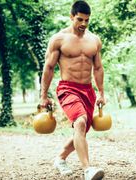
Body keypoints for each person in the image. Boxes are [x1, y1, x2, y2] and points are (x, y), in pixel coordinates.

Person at [40, 1, 105, 180]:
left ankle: (60, 158)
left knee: (81, 130)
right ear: (71, 17)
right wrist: (43, 96)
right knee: (81, 122)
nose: (83, 24)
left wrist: (101, 93)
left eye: (87, 20)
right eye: (79, 19)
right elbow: (49, 67)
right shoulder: (59, 39)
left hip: (88, 90)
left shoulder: (94, 40)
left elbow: (98, 68)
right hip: (68, 89)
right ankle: (88, 170)